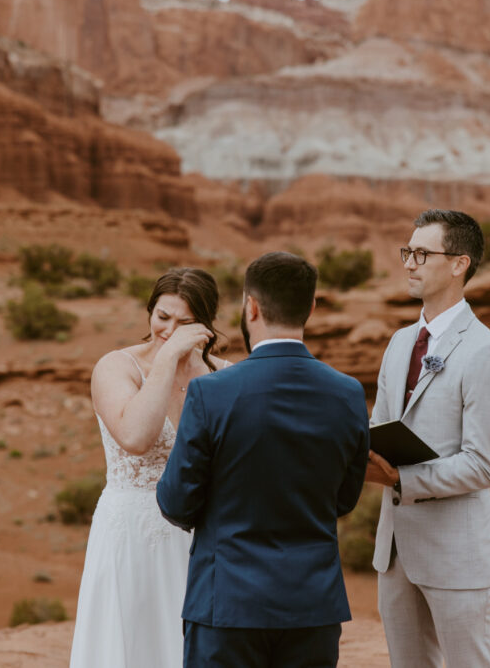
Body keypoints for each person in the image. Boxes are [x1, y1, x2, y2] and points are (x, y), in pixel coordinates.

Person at [156, 251, 370, 668]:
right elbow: (344, 499)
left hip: (226, 606)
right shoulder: (347, 392)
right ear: (310, 307)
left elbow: (175, 502)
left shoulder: (211, 393)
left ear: (250, 307)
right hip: (313, 608)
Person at [365, 209, 490, 668]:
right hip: (394, 552)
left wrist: (401, 479)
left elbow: (482, 465)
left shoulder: (486, 352)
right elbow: (382, 427)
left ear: (459, 264)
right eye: (407, 252)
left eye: (422, 253)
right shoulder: (399, 342)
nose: (410, 263)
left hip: (458, 554)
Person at [69, 267, 229, 668]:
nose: (170, 330)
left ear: (206, 326)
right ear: (149, 312)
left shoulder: (225, 376)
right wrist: (169, 357)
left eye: (185, 323)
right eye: (163, 317)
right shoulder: (116, 367)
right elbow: (136, 436)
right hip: (130, 537)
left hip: (202, 540)